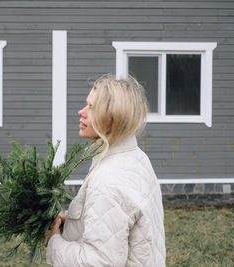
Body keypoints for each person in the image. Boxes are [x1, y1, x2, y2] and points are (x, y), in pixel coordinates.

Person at [46, 74, 166, 266]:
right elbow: (115, 220)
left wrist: (54, 242)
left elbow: (98, 262)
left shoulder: (109, 182)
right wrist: (72, 222)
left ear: (113, 118)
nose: (81, 112)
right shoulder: (134, 157)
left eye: (92, 108)